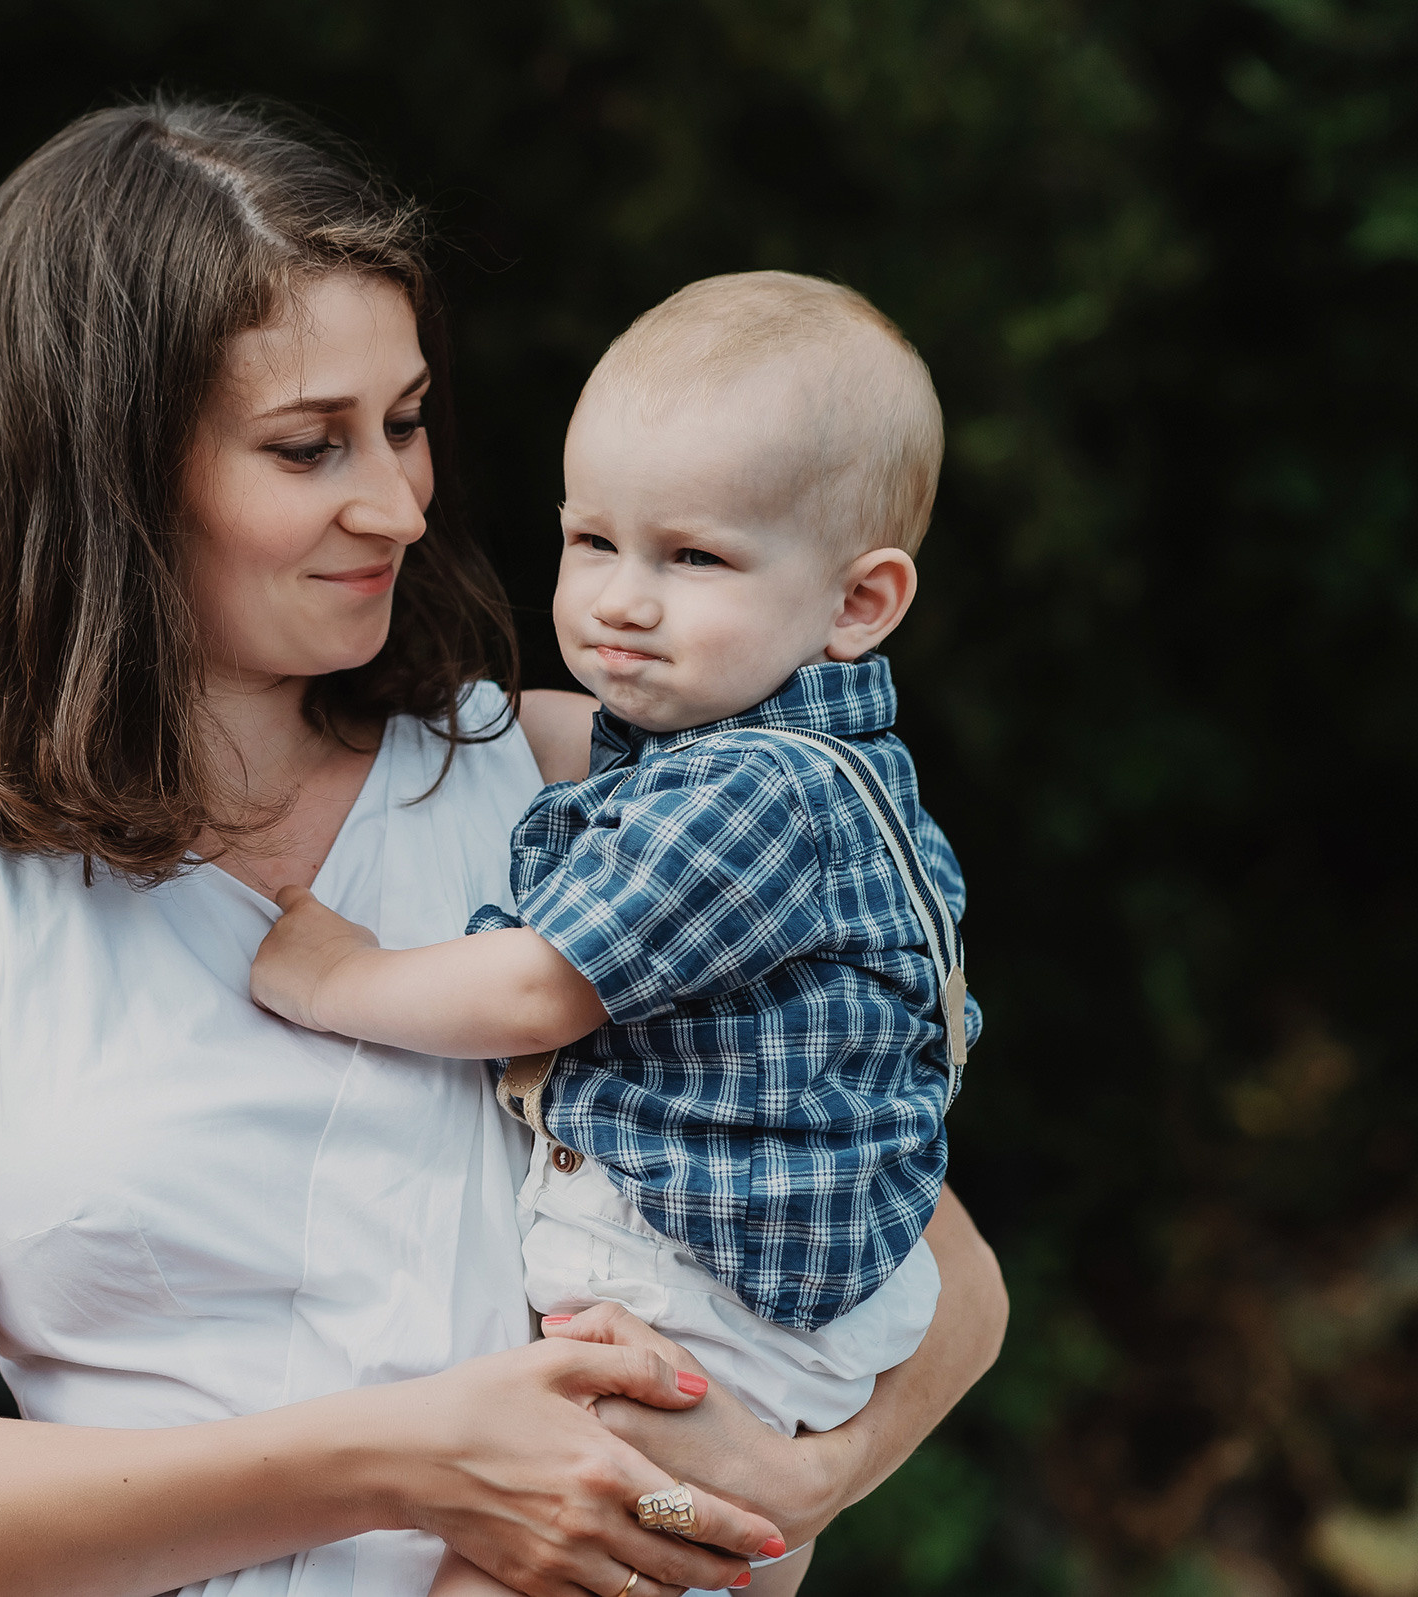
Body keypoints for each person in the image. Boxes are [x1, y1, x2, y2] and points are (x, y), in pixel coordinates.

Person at [0, 99, 1007, 1597]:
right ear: (103, 477)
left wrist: (800, 1477)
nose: (401, 502)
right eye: (309, 447)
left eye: (407, 421)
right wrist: (410, 1455)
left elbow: (943, 1271)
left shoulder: (571, 787)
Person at [251, 272, 973, 1597]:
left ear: (858, 603)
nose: (622, 601)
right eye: (593, 543)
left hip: (710, 1299)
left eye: (692, 557)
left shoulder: (758, 791)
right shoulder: (697, 767)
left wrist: (342, 973)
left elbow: (538, 990)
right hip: (719, 1297)